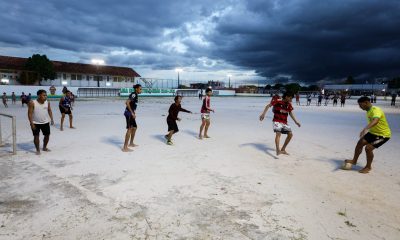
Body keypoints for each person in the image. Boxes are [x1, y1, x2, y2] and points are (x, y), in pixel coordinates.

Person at [345, 97, 391, 173]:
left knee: (368, 148)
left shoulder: (376, 110)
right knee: (360, 143)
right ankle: (354, 160)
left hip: (383, 135)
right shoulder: (368, 111)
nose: (360, 107)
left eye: (360, 105)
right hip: (373, 133)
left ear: (366, 102)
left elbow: (376, 120)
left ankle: (368, 167)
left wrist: (365, 128)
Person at [259, 92, 301, 156]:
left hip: (284, 122)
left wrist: (296, 121)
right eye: (290, 98)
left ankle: (283, 149)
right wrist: (263, 114)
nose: (291, 100)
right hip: (276, 120)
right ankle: (278, 150)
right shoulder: (278, 101)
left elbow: (290, 113)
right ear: (286, 96)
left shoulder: (289, 104)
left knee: (290, 135)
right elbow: (268, 106)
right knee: (278, 134)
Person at [28, 90, 54, 155]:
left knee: (47, 135)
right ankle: (38, 150)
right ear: (39, 96)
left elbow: (49, 110)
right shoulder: (32, 102)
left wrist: (52, 119)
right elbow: (29, 114)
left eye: (46, 95)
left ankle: (44, 147)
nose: (45, 97)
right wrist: (31, 123)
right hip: (35, 123)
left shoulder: (47, 102)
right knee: (36, 136)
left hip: (45, 122)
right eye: (44, 95)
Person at [122, 84, 142, 152]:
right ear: (136, 89)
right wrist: (132, 113)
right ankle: (125, 147)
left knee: (135, 127)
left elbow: (132, 105)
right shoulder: (134, 94)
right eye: (140, 89)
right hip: (128, 113)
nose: (141, 90)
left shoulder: (136, 95)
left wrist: (133, 113)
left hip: (131, 113)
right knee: (130, 129)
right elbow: (127, 102)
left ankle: (131, 143)